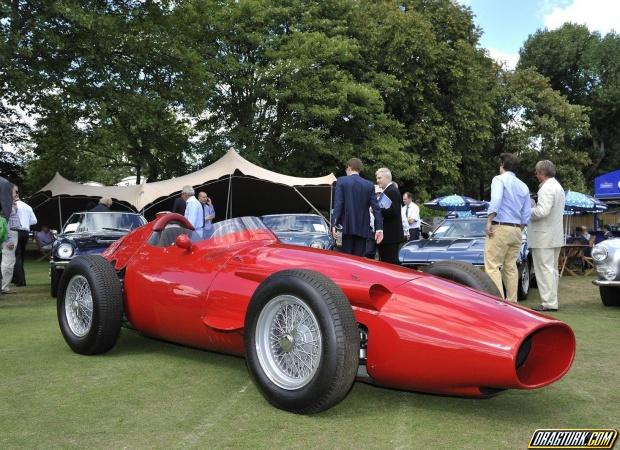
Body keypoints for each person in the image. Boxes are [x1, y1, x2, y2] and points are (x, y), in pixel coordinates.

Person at [484, 153, 531, 303]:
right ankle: (512, 302)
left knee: (492, 266)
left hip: (501, 227)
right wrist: (520, 227)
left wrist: (489, 220)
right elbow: (527, 212)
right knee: (510, 267)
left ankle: (498, 303)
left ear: (502, 164)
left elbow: (496, 200)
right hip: (517, 229)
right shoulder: (523, 185)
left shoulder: (499, 179)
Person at [528, 160, 565, 312]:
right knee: (551, 270)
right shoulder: (558, 187)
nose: (536, 176)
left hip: (543, 236)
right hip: (554, 235)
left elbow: (542, 211)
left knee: (544, 270)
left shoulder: (547, 188)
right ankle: (551, 301)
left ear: (542, 173)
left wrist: (528, 209)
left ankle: (549, 303)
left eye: (537, 173)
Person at [332, 158, 383, 257]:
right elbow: (376, 209)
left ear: (349, 167)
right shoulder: (369, 185)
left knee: (343, 259)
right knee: (358, 260)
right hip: (363, 229)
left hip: (343, 229)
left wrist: (334, 224)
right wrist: (379, 229)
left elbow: (338, 204)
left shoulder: (341, 181)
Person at [375, 168, 404, 264]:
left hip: (390, 236)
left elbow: (393, 211)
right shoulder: (388, 191)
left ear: (387, 177)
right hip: (388, 236)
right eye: (377, 178)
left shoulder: (392, 191)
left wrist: (376, 210)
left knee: (390, 263)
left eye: (379, 178)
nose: (377, 180)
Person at [12, 193, 37, 286]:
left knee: (16, 256)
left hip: (16, 231)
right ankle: (19, 279)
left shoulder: (13, 206)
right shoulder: (28, 207)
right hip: (25, 233)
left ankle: (20, 281)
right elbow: (35, 221)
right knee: (21, 256)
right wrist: (26, 222)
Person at [1, 184, 20, 294]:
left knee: (8, 261)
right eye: (15, 192)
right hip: (10, 234)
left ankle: (5, 286)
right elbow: (4, 222)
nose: (17, 194)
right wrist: (8, 239)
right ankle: (4, 287)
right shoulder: (6, 205)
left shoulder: (9, 204)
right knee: (8, 261)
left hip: (12, 233)